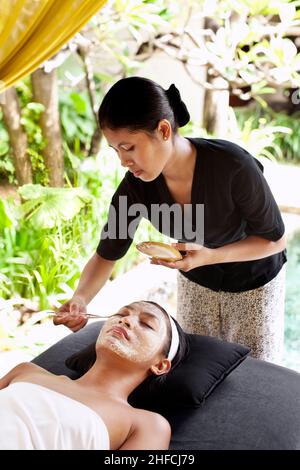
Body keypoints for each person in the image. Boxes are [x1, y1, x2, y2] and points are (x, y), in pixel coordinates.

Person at [54, 76, 286, 363]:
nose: (123, 161)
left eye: (129, 148)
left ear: (163, 130)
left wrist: (210, 256)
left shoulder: (232, 166)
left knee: (257, 373)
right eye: (116, 150)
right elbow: (107, 254)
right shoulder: (136, 187)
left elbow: (275, 239)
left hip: (254, 280)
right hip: (196, 281)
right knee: (197, 366)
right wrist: (80, 300)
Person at [0, 300, 188, 450]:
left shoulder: (146, 425)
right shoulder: (26, 371)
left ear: (160, 365)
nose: (125, 320)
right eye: (121, 314)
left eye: (147, 324)